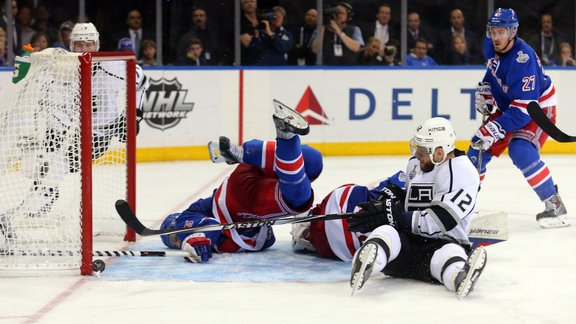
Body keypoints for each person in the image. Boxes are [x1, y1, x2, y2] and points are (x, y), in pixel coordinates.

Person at [293, 117, 485, 299]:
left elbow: (442, 219)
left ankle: (459, 277)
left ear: (440, 152)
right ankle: (366, 263)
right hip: (403, 252)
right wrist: (385, 205)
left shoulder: (463, 172)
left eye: (423, 149)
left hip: (439, 246)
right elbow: (409, 201)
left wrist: (394, 215)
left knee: (449, 253)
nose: (417, 153)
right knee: (384, 232)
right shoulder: (416, 166)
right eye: (416, 147)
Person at [0, 23, 149, 221]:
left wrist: (134, 115)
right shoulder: (61, 70)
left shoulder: (116, 67)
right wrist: (27, 56)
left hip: (99, 134)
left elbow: (143, 83)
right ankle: (43, 195)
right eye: (79, 45)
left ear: (97, 45)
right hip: (68, 130)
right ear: (71, 46)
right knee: (35, 164)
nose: (84, 50)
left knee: (58, 161)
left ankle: (40, 198)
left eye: (89, 44)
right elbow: (27, 72)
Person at [159, 100, 323, 263]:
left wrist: (195, 239)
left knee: (298, 197)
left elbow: (202, 228)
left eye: (173, 236)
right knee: (312, 161)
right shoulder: (260, 240)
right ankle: (246, 152)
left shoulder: (188, 220)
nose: (177, 239)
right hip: (242, 183)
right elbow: (264, 238)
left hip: (240, 201)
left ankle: (285, 137)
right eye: (174, 241)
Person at [467, 8, 568, 228]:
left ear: (513, 32)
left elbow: (523, 111)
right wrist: (486, 88)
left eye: (501, 32)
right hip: (511, 105)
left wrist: (494, 128)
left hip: (536, 108)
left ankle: (554, 204)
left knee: (520, 149)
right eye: (493, 31)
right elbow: (493, 71)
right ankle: (464, 206)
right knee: (477, 149)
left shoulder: (524, 59)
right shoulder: (490, 45)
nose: (495, 37)